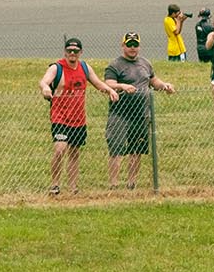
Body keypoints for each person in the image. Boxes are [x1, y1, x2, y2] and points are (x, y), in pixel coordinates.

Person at [39, 38, 119, 194]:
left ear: (80, 52)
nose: (72, 54)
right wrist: (45, 89)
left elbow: (97, 83)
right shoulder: (57, 68)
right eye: (69, 51)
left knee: (74, 152)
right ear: (65, 52)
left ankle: (73, 186)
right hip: (60, 117)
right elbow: (43, 81)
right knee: (60, 149)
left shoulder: (84, 67)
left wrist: (110, 90)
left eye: (75, 51)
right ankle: (55, 184)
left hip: (78, 118)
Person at [103, 32, 176, 188]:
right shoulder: (115, 65)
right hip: (120, 114)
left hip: (141, 114)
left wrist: (165, 86)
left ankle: (132, 183)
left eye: (135, 44)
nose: (132, 48)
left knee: (136, 150)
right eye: (129, 44)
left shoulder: (145, 63)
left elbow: (153, 81)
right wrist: (121, 86)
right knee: (116, 149)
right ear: (123, 46)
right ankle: (114, 184)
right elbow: (108, 84)